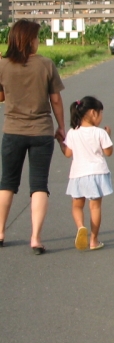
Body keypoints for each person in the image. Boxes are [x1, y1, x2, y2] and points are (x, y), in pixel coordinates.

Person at [0, 20, 66, 254]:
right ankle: (35, 238)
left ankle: (0, 232)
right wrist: (61, 127)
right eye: (37, 38)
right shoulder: (46, 65)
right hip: (41, 132)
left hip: (12, 131)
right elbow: (56, 100)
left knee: (7, 183)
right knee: (39, 185)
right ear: (29, 40)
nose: (38, 42)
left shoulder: (3, 65)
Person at [57, 96, 113, 251]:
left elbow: (68, 153)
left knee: (77, 206)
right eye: (101, 113)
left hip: (78, 174)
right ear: (94, 113)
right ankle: (94, 240)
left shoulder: (73, 133)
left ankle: (81, 227)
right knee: (95, 208)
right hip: (97, 173)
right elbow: (108, 152)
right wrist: (108, 135)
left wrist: (60, 141)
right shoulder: (100, 133)